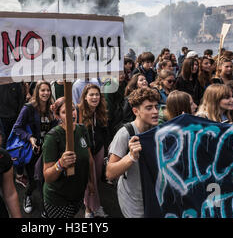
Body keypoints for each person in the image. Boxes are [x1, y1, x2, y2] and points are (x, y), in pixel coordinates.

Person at [106, 87, 160, 218]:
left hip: (153, 196)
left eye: (156, 107)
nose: (155, 112)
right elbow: (110, 173)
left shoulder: (158, 130)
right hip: (133, 199)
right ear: (136, 111)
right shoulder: (125, 133)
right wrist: (131, 157)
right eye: (149, 108)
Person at [42, 97, 95, 218]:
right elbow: (48, 177)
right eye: (65, 112)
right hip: (58, 199)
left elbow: (89, 158)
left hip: (78, 194)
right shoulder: (52, 137)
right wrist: (60, 164)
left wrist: (91, 181)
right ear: (58, 116)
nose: (71, 114)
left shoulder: (82, 129)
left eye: (72, 109)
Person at [12, 81, 57, 215]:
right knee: (34, 179)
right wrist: (30, 137)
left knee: (46, 180)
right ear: (37, 92)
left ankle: (46, 208)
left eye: (48, 90)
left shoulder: (51, 108)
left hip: (48, 150)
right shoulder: (29, 108)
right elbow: (17, 128)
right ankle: (27, 196)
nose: (46, 93)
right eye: (42, 90)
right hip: (33, 151)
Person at [77, 84, 109, 218]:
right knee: (89, 180)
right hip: (85, 151)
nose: (95, 97)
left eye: (97, 94)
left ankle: (93, 206)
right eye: (91, 94)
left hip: (99, 149)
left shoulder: (101, 111)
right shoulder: (78, 112)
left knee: (95, 179)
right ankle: (90, 209)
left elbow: (104, 131)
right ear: (85, 97)